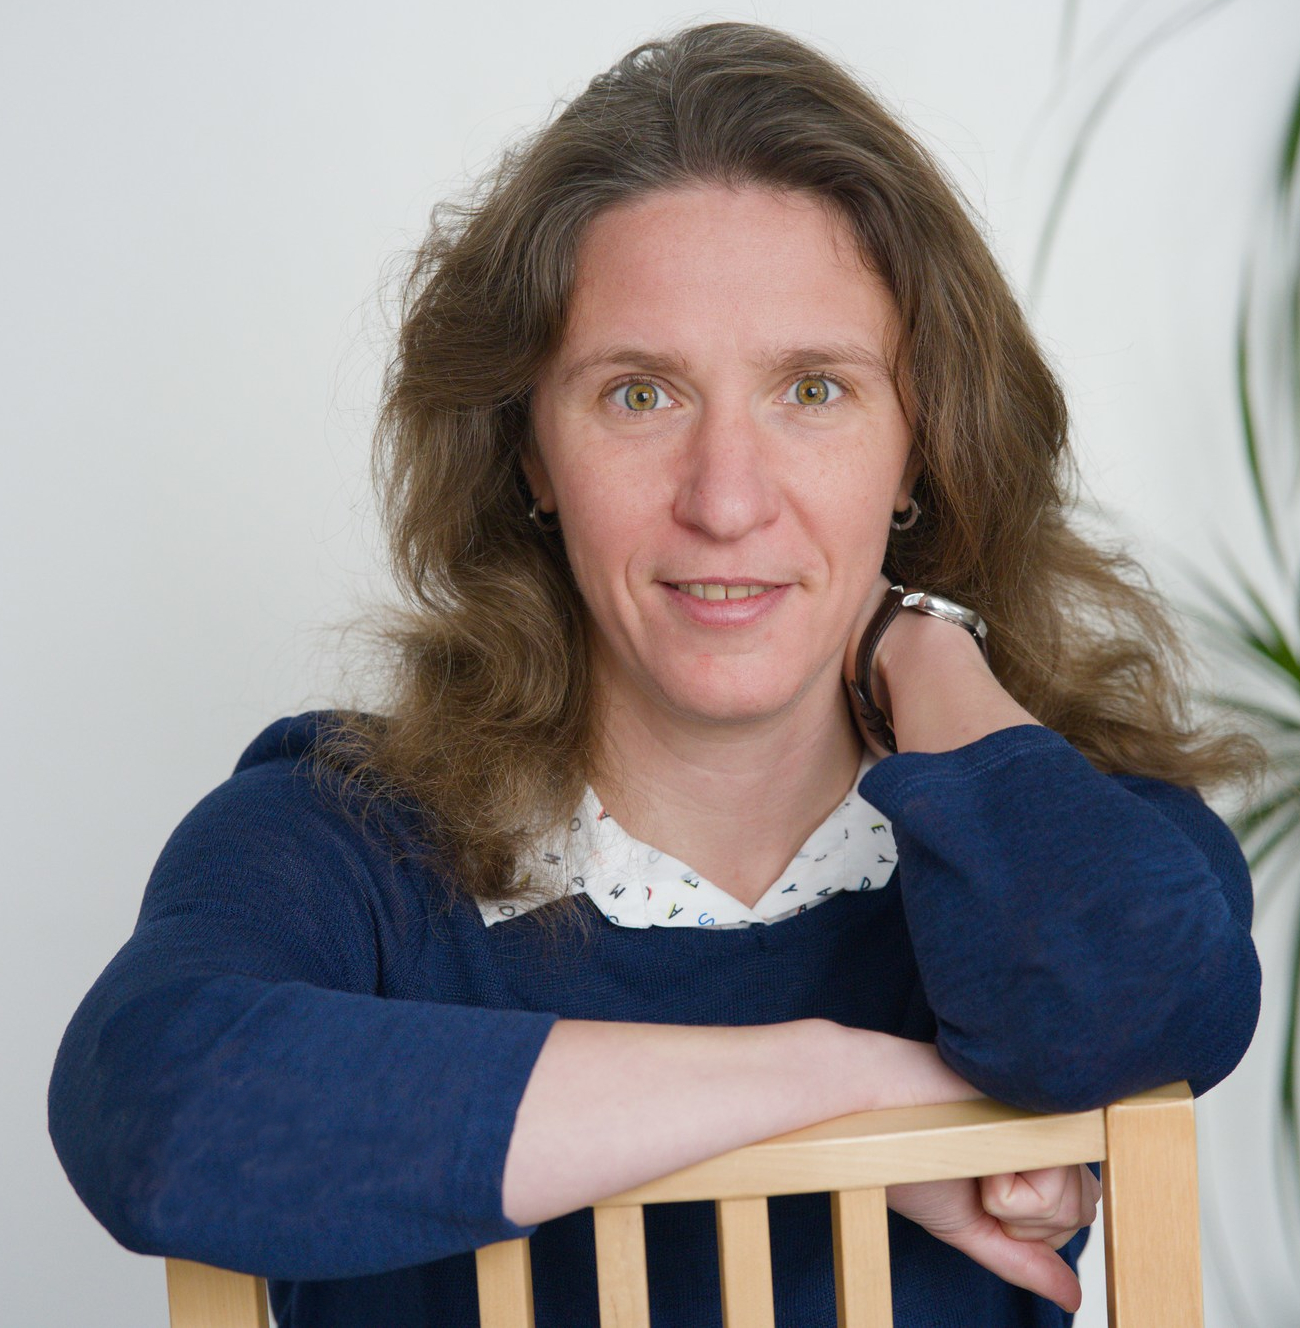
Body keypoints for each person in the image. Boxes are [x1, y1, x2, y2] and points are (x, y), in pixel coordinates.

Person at [48, 21, 1262, 1328]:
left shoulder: (1062, 847)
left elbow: (1128, 1007)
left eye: (814, 389)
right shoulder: (347, 842)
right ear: (529, 453)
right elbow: (161, 1112)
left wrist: (923, 643)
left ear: (922, 444)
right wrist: (836, 1089)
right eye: (641, 395)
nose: (726, 501)